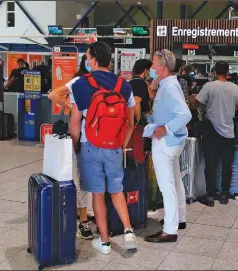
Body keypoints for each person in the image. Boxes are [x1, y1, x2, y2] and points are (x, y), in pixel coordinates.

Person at [69, 41, 138, 254]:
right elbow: (131, 121)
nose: (87, 61)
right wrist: (122, 143)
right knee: (117, 190)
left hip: (89, 145)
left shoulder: (80, 84)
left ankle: (105, 243)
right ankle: (128, 231)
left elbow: (74, 123)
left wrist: (75, 145)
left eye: (88, 57)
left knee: (97, 194)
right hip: (114, 147)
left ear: (95, 60)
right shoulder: (123, 85)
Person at [143, 49, 191, 243]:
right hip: (174, 141)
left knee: (167, 185)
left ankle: (169, 230)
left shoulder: (169, 87)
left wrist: (165, 128)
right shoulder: (169, 84)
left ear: (163, 67)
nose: (152, 68)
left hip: (166, 142)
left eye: (154, 64)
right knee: (175, 181)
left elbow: (185, 114)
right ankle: (180, 218)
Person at [48, 54, 97, 240]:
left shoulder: (86, 80)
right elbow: (52, 94)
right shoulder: (79, 80)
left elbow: (54, 95)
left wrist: (72, 108)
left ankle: (81, 213)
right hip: (82, 135)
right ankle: (83, 220)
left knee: (82, 177)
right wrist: (72, 108)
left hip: (85, 135)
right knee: (82, 179)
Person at [190, 60, 238, 207]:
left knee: (210, 163)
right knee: (227, 164)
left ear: (214, 72)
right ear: (227, 73)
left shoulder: (209, 86)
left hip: (211, 130)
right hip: (229, 131)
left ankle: (210, 195)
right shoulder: (235, 88)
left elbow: (196, 103)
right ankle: (225, 194)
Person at [129, 59, 152, 124]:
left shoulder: (131, 82)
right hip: (138, 121)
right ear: (145, 70)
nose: (149, 73)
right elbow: (136, 102)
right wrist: (137, 122)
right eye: (149, 70)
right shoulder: (140, 83)